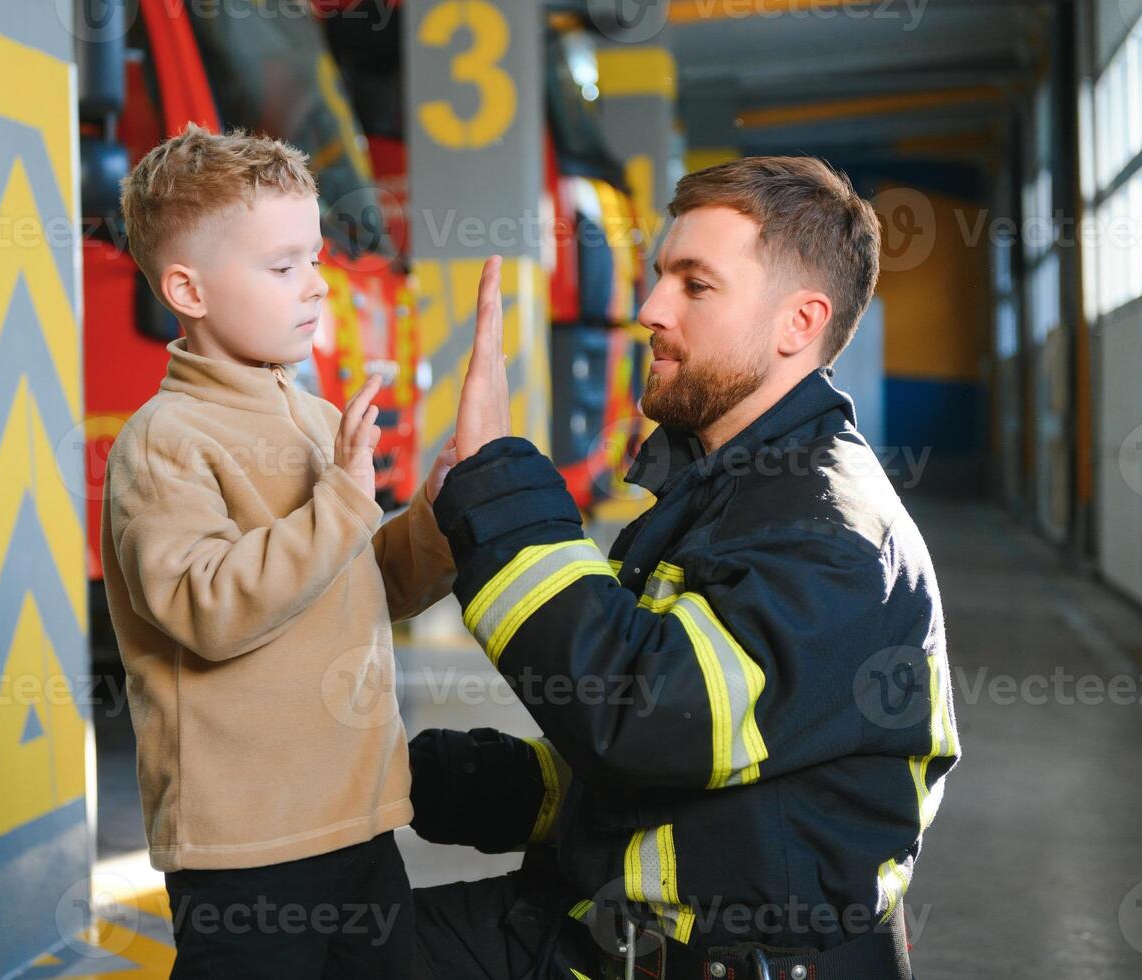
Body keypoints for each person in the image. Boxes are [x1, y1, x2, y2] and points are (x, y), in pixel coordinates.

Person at [411, 156, 961, 979]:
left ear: (796, 323)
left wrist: (497, 484)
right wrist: (420, 780)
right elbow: (645, 786)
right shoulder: (729, 492)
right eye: (659, 276)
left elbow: (640, 717)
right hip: (613, 928)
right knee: (311, 941)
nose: (647, 310)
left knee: (308, 951)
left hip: (693, 959)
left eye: (693, 285)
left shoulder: (830, 535)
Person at [99, 124, 459, 979]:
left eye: (315, 258)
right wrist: (343, 498)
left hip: (356, 821)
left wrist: (436, 520)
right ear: (186, 288)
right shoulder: (165, 441)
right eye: (281, 265)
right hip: (245, 852)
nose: (314, 284)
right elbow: (209, 609)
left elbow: (362, 580)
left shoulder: (310, 416)